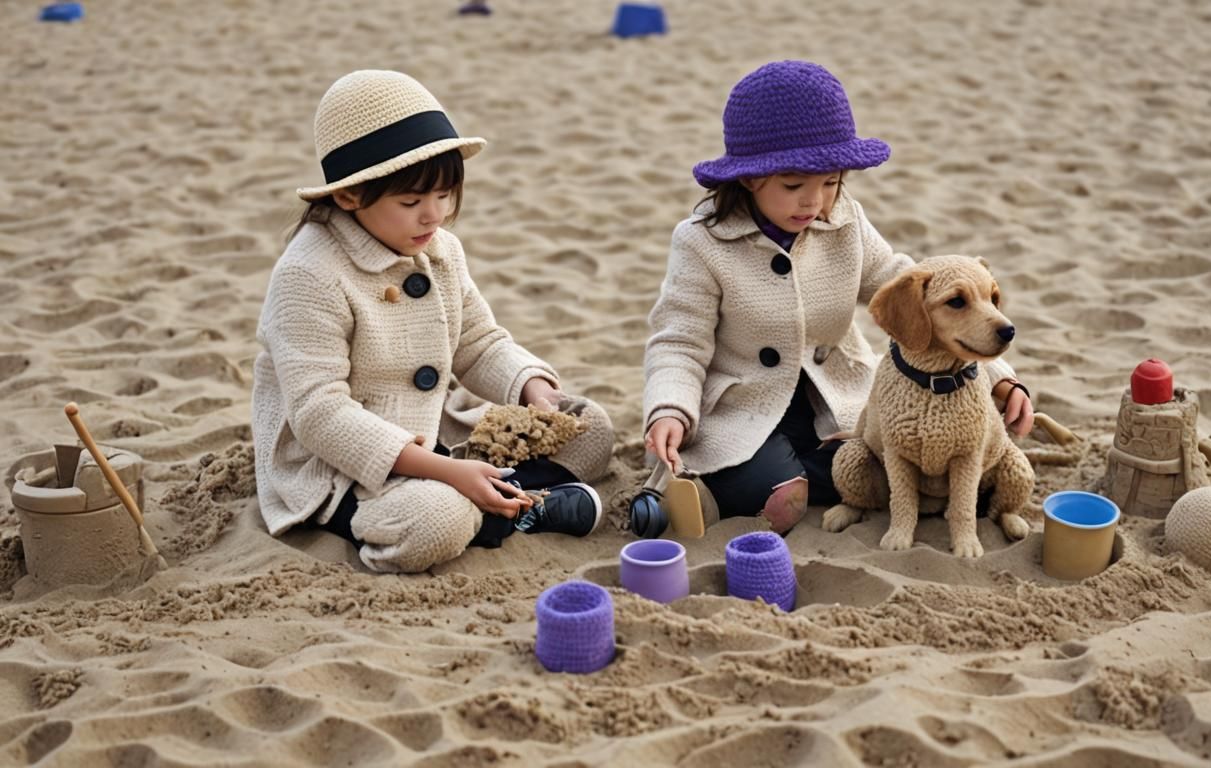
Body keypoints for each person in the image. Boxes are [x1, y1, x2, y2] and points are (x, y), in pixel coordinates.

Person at [639, 60, 1034, 536]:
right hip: (743, 404)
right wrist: (669, 410)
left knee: (879, 467)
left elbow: (916, 293)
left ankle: (767, 476)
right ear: (747, 177)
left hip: (831, 396)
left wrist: (998, 378)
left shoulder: (844, 221)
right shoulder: (701, 242)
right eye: (793, 186)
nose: (815, 203)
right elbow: (679, 341)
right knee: (774, 487)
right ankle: (713, 486)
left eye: (831, 182)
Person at [252, 70, 613, 572]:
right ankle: (519, 509)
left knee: (590, 427)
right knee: (435, 522)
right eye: (411, 202)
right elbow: (320, 415)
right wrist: (446, 472)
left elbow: (479, 341)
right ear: (349, 195)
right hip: (345, 462)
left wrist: (531, 388)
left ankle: (494, 497)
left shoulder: (440, 250)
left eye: (444, 196)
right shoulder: (308, 274)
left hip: (437, 424)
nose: (434, 216)